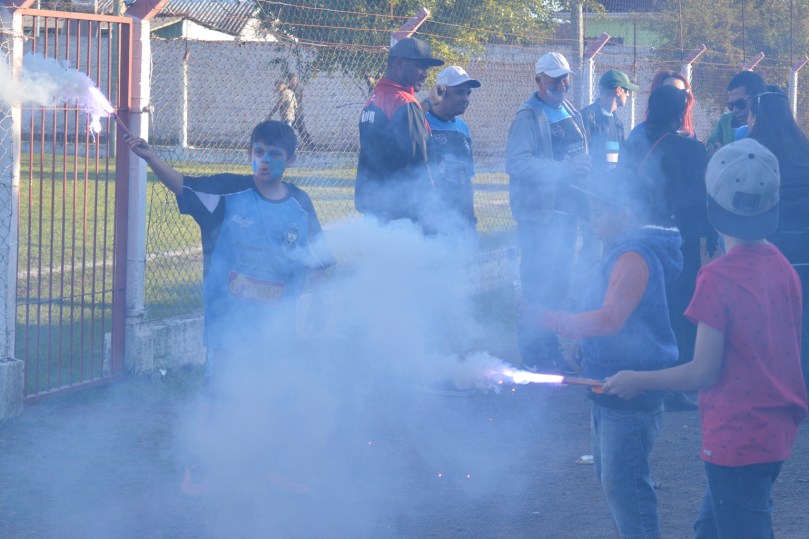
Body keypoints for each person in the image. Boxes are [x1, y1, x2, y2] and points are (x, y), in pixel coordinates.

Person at [604, 139, 808, 538]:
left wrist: (637, 380)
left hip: (737, 439)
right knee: (712, 527)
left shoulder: (717, 278)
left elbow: (702, 372)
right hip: (775, 430)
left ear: (712, 205)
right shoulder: (784, 268)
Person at [521, 168, 683, 539]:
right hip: (609, 384)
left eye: (598, 212)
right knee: (614, 481)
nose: (591, 221)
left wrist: (550, 320)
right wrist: (584, 343)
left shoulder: (632, 257)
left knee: (625, 487)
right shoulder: (621, 251)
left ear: (625, 213)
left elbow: (611, 319)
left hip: (629, 391)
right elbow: (613, 312)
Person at [620, 85, 713, 411]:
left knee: (642, 305)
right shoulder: (690, 149)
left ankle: (637, 371)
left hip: (638, 238)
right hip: (679, 242)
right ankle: (674, 385)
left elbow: (621, 185)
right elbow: (700, 197)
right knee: (678, 310)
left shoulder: (635, 141)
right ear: (679, 114)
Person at [505, 51, 591, 373]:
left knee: (558, 284)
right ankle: (532, 354)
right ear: (538, 81)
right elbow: (517, 162)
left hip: (567, 215)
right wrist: (562, 169)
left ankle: (550, 348)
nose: (561, 85)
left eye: (565, 79)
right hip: (540, 218)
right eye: (554, 80)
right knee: (538, 284)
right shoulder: (528, 116)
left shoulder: (570, 110)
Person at [749, 89, 809, 388]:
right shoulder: (804, 149)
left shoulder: (754, 153)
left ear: (757, 116)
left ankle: (774, 387)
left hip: (769, 249)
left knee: (770, 324)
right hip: (805, 250)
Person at [355, 37, 444, 229]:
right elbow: (420, 164)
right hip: (404, 214)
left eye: (427, 68)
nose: (426, 74)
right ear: (399, 64)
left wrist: (428, 103)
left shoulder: (373, 100)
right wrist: (434, 208)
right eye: (420, 66)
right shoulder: (405, 103)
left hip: (376, 209)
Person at [424, 65, 480, 236]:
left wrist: (470, 219)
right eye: (459, 92)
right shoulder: (422, 122)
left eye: (468, 93)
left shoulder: (463, 128)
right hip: (431, 218)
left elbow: (467, 179)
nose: (465, 98)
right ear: (442, 92)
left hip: (459, 219)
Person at [580, 69, 638, 174]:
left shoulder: (618, 123)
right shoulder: (587, 118)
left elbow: (620, 159)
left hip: (613, 183)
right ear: (618, 90)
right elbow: (584, 158)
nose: (628, 95)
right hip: (593, 183)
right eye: (626, 90)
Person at [706, 70, 766, 153]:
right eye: (731, 105)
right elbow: (710, 150)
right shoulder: (725, 122)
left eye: (740, 104)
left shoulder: (771, 125)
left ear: (757, 99)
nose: (735, 110)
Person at [649, 70, 696, 138]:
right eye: (670, 91)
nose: (678, 96)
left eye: (683, 92)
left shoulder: (689, 133)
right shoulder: (642, 133)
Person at [287, 73, 313, 147]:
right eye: (292, 80)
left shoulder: (299, 88)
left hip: (298, 111)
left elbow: (298, 97)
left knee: (301, 128)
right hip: (291, 111)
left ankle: (310, 144)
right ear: (290, 80)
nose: (294, 81)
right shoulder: (288, 88)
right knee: (293, 127)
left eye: (295, 79)